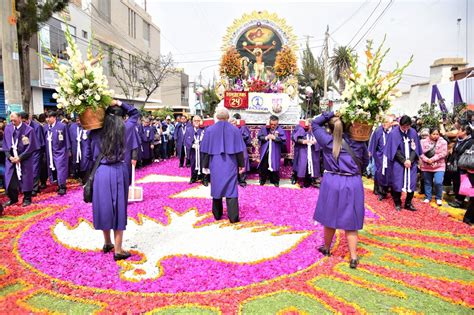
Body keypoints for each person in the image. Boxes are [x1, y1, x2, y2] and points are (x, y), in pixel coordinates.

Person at [312, 112, 368, 269]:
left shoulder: (327, 140)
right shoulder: (358, 142)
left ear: (330, 128)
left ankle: (327, 248)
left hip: (332, 181)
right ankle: (354, 257)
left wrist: (331, 113)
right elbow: (365, 162)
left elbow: (315, 123)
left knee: (330, 217)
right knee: (351, 221)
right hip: (352, 181)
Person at [88, 101, 133, 261]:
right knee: (119, 207)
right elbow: (135, 113)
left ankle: (107, 242)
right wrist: (119, 102)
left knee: (104, 206)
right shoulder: (126, 128)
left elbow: (88, 155)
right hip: (119, 170)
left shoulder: (95, 131)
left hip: (101, 171)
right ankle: (118, 249)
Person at [201, 107, 246, 223]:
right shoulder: (235, 130)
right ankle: (233, 217)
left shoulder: (209, 130)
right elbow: (239, 150)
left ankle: (217, 214)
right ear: (227, 117)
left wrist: (204, 165)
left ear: (216, 117)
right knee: (231, 188)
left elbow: (205, 150)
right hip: (230, 162)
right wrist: (241, 164)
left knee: (216, 187)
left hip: (215, 163)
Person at [384, 115, 422, 211]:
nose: (405, 128)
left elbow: (416, 148)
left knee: (412, 183)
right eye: (403, 126)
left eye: (407, 126)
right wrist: (404, 160)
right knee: (397, 183)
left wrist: (410, 160)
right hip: (399, 162)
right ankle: (397, 202)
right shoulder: (394, 133)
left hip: (411, 162)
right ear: (400, 125)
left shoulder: (413, 132)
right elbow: (394, 149)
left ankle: (408, 203)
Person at [2, 112, 39, 207]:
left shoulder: (29, 130)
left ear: (20, 118)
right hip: (11, 158)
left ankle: (27, 198)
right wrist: (9, 156)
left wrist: (20, 157)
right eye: (11, 120)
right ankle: (13, 198)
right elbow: (5, 144)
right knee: (9, 179)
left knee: (26, 178)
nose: (12, 122)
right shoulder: (8, 128)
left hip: (24, 158)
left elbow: (31, 147)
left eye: (14, 119)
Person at [368, 115, 395, 201]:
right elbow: (373, 143)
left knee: (389, 173)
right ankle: (380, 191)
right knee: (379, 173)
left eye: (386, 122)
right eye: (383, 122)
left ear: (391, 123)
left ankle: (388, 189)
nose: (384, 124)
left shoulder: (394, 131)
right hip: (380, 156)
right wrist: (371, 153)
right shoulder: (378, 130)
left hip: (390, 157)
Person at [447, 123, 474, 208]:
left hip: (465, 167)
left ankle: (460, 201)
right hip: (456, 166)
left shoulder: (471, 142)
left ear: (464, 131)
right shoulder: (459, 140)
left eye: (459, 130)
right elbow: (455, 151)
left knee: (462, 184)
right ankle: (457, 199)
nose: (457, 131)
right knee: (456, 183)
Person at [44, 111, 70, 196]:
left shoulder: (62, 126)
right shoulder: (45, 127)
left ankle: (62, 186)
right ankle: (55, 182)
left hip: (60, 151)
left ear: (54, 117)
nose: (47, 119)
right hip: (50, 151)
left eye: (49, 117)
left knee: (61, 168)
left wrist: (68, 150)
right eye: (46, 117)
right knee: (52, 168)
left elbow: (67, 139)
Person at [420, 127, 448, 206]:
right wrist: (426, 159)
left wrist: (433, 159)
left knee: (438, 182)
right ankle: (428, 197)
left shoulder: (443, 142)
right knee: (427, 182)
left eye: (437, 134)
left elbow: (443, 153)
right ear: (429, 134)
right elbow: (420, 152)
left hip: (439, 166)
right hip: (426, 165)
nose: (435, 136)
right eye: (433, 134)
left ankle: (438, 197)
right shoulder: (423, 142)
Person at [20, 112, 45, 196]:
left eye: (24, 121)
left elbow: (38, 142)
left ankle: (34, 188)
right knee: (26, 170)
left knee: (34, 170)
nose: (22, 123)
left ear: (28, 119)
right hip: (25, 151)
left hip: (35, 150)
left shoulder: (36, 127)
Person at [257, 115, 286, 187]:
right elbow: (259, 137)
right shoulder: (264, 128)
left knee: (275, 165)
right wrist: (266, 137)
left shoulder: (280, 129)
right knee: (264, 166)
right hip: (265, 150)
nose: (273, 126)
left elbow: (283, 140)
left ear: (277, 123)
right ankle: (262, 180)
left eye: (274, 125)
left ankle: (275, 181)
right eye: (271, 124)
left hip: (275, 151)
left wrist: (275, 138)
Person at [292, 119, 321, 188]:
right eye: (308, 125)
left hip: (312, 152)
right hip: (303, 151)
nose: (309, 126)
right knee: (302, 166)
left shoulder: (316, 131)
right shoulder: (301, 129)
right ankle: (299, 180)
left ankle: (310, 180)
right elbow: (295, 138)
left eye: (311, 125)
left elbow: (320, 141)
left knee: (311, 167)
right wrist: (303, 141)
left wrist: (315, 142)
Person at [186, 115, 208, 185]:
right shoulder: (189, 129)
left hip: (202, 151)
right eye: (195, 121)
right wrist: (192, 145)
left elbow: (207, 139)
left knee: (203, 164)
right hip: (193, 151)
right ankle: (193, 178)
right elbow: (186, 139)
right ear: (192, 122)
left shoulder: (204, 129)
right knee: (193, 164)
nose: (196, 122)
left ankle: (204, 179)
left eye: (198, 120)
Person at [231, 113, 251, 187]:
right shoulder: (227, 130)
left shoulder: (241, 128)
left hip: (241, 146)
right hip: (231, 148)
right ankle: (234, 180)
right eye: (232, 123)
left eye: (235, 123)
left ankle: (242, 180)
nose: (233, 124)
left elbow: (246, 136)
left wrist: (238, 135)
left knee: (243, 160)